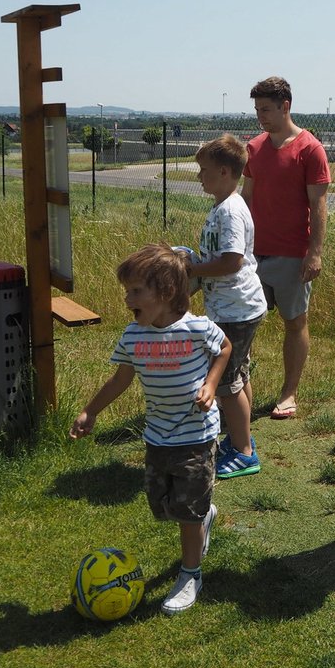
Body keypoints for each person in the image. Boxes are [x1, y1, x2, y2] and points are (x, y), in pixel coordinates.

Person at [70, 243, 232, 614]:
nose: (128, 298)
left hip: (196, 435)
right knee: (164, 507)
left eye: (136, 291)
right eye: (127, 290)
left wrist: (210, 385)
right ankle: (203, 515)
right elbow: (119, 381)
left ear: (166, 292)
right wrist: (89, 412)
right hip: (157, 436)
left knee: (186, 513)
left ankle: (190, 573)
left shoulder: (196, 328)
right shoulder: (133, 336)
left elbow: (224, 348)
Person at [242, 76, 331, 420]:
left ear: (285, 107)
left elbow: (319, 205)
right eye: (257, 109)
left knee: (295, 323)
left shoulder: (310, 148)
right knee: (242, 322)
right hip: (252, 256)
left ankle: (288, 393)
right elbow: (245, 198)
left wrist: (315, 252)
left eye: (266, 109)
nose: (260, 115)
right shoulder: (254, 148)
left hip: (293, 255)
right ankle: (237, 391)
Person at [188, 134, 266, 479]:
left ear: (223, 172)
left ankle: (245, 452)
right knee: (237, 375)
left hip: (236, 309)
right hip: (231, 307)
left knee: (225, 383)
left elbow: (232, 261)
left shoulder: (231, 211)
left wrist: (190, 270)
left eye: (203, 170)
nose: (199, 176)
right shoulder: (222, 205)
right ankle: (240, 438)